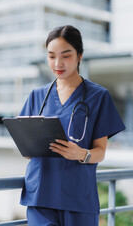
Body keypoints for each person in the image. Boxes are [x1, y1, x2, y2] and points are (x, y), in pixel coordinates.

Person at [19, 25, 125, 226]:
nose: (58, 63)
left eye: (66, 56)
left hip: (78, 199)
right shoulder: (37, 96)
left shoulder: (98, 96)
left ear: (80, 56)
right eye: (51, 56)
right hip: (40, 197)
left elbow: (100, 152)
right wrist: (27, 146)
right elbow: (26, 150)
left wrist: (81, 154)